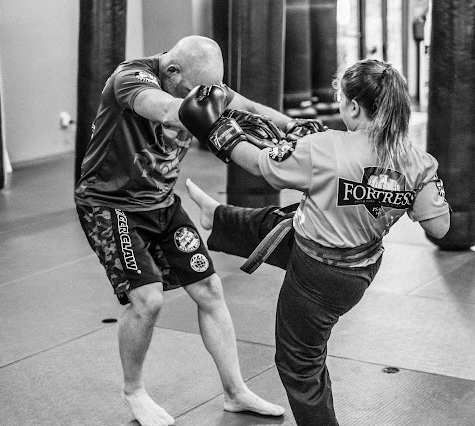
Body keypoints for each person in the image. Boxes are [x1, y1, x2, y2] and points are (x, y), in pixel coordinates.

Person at [179, 58, 451, 425]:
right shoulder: (418, 162)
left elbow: (261, 166)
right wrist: (414, 189)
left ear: (353, 106)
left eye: (342, 98)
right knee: (280, 222)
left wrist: (216, 131)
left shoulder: (325, 148)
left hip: (317, 276)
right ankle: (218, 217)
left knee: (299, 364)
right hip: (359, 267)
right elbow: (439, 228)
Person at [74, 35, 296, 426]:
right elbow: (163, 109)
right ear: (172, 71)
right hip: (111, 206)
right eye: (199, 91)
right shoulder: (131, 77)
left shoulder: (204, 89)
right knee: (148, 300)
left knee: (210, 289)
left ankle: (235, 392)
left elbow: (249, 108)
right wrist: (207, 112)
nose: (208, 97)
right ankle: (134, 391)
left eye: (211, 90)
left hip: (161, 202)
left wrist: (294, 128)